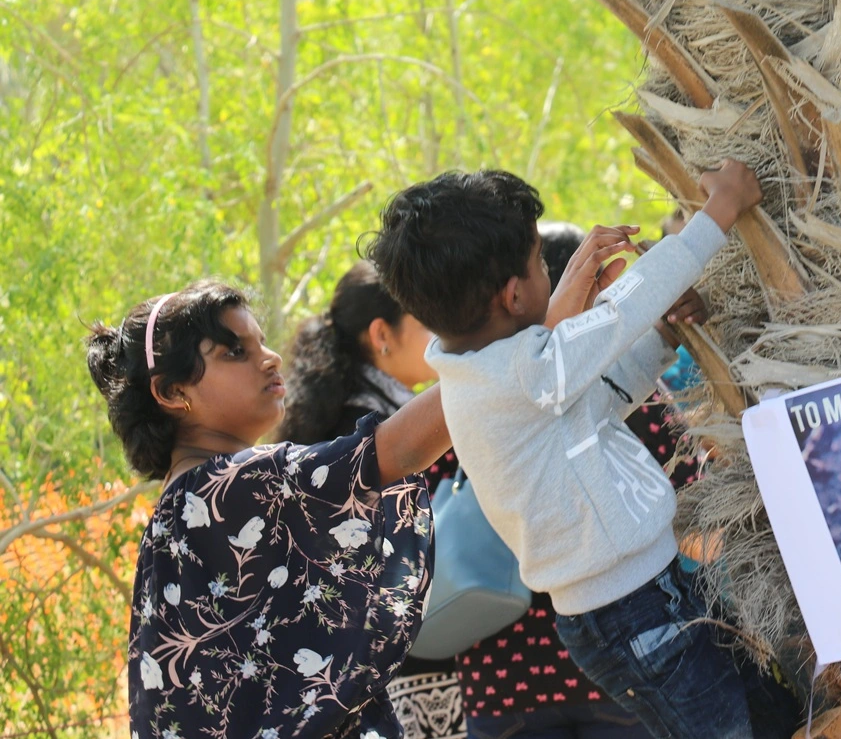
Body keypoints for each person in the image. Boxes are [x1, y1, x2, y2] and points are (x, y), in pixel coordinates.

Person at [366, 162, 801, 739]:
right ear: (515, 293)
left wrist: (665, 336)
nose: (555, 277)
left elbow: (606, 393)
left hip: (653, 589)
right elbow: (622, 314)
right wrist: (716, 213)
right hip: (628, 613)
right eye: (541, 263)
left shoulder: (500, 374)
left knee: (777, 716)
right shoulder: (517, 373)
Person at [86, 280, 450, 738]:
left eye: (261, 342)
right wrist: (498, 357)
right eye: (234, 352)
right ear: (173, 392)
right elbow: (396, 451)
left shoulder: (172, 513)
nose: (270, 357)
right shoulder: (236, 485)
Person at [455, 222, 700, 739]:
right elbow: (692, 491)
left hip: (503, 678)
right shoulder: (561, 382)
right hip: (618, 663)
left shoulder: (471, 397)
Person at [275, 261, 467, 738]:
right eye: (426, 322)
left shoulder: (334, 424)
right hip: (410, 657)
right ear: (382, 333)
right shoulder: (382, 435)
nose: (441, 333)